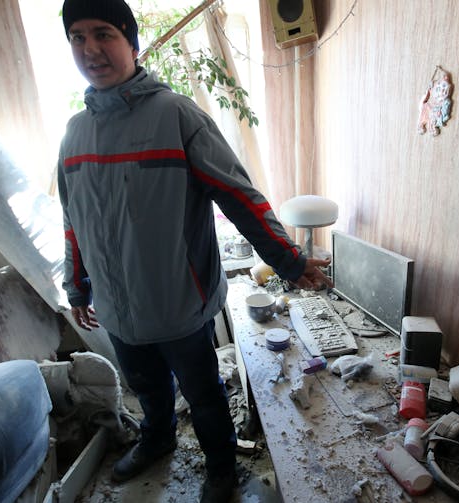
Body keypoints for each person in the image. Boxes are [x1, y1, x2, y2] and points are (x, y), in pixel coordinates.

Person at [57, 1, 332, 501]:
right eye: (78, 37)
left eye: (103, 34)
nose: (91, 49)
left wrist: (289, 259)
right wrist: (77, 285)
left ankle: (221, 468)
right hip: (119, 311)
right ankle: (157, 440)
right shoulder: (74, 135)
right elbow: (73, 220)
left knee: (204, 397)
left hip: (180, 304)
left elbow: (240, 196)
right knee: (148, 390)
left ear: (132, 43)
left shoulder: (177, 116)